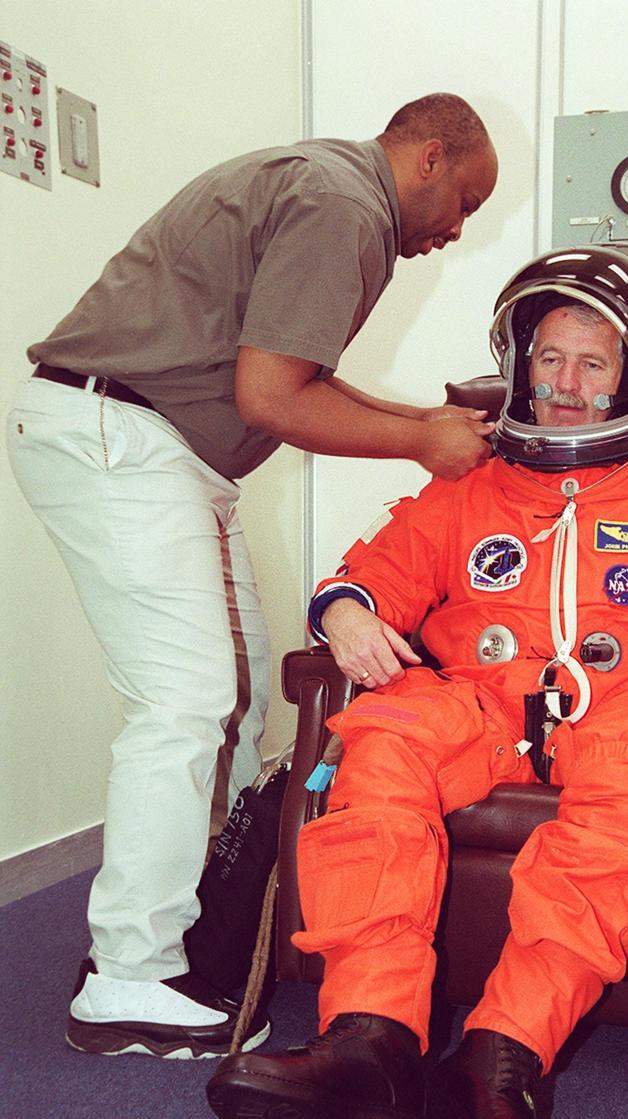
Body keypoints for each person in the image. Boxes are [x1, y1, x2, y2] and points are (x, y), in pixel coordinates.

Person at [205, 245, 628, 1119]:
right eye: (549, 360)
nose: (566, 385)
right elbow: (373, 571)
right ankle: (372, 1048)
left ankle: (498, 1061)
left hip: (624, 712)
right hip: (476, 701)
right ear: (519, 363)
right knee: (380, 746)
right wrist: (348, 610)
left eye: (593, 363)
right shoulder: (469, 483)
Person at [6, 94, 498, 1060]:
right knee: (186, 701)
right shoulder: (344, 207)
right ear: (430, 157)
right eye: (466, 204)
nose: (454, 231)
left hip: (162, 452)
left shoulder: (322, 184)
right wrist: (417, 443)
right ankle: (128, 977)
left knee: (235, 688)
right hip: (123, 441)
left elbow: (290, 375)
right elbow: (270, 396)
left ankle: (190, 933)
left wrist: (415, 420)